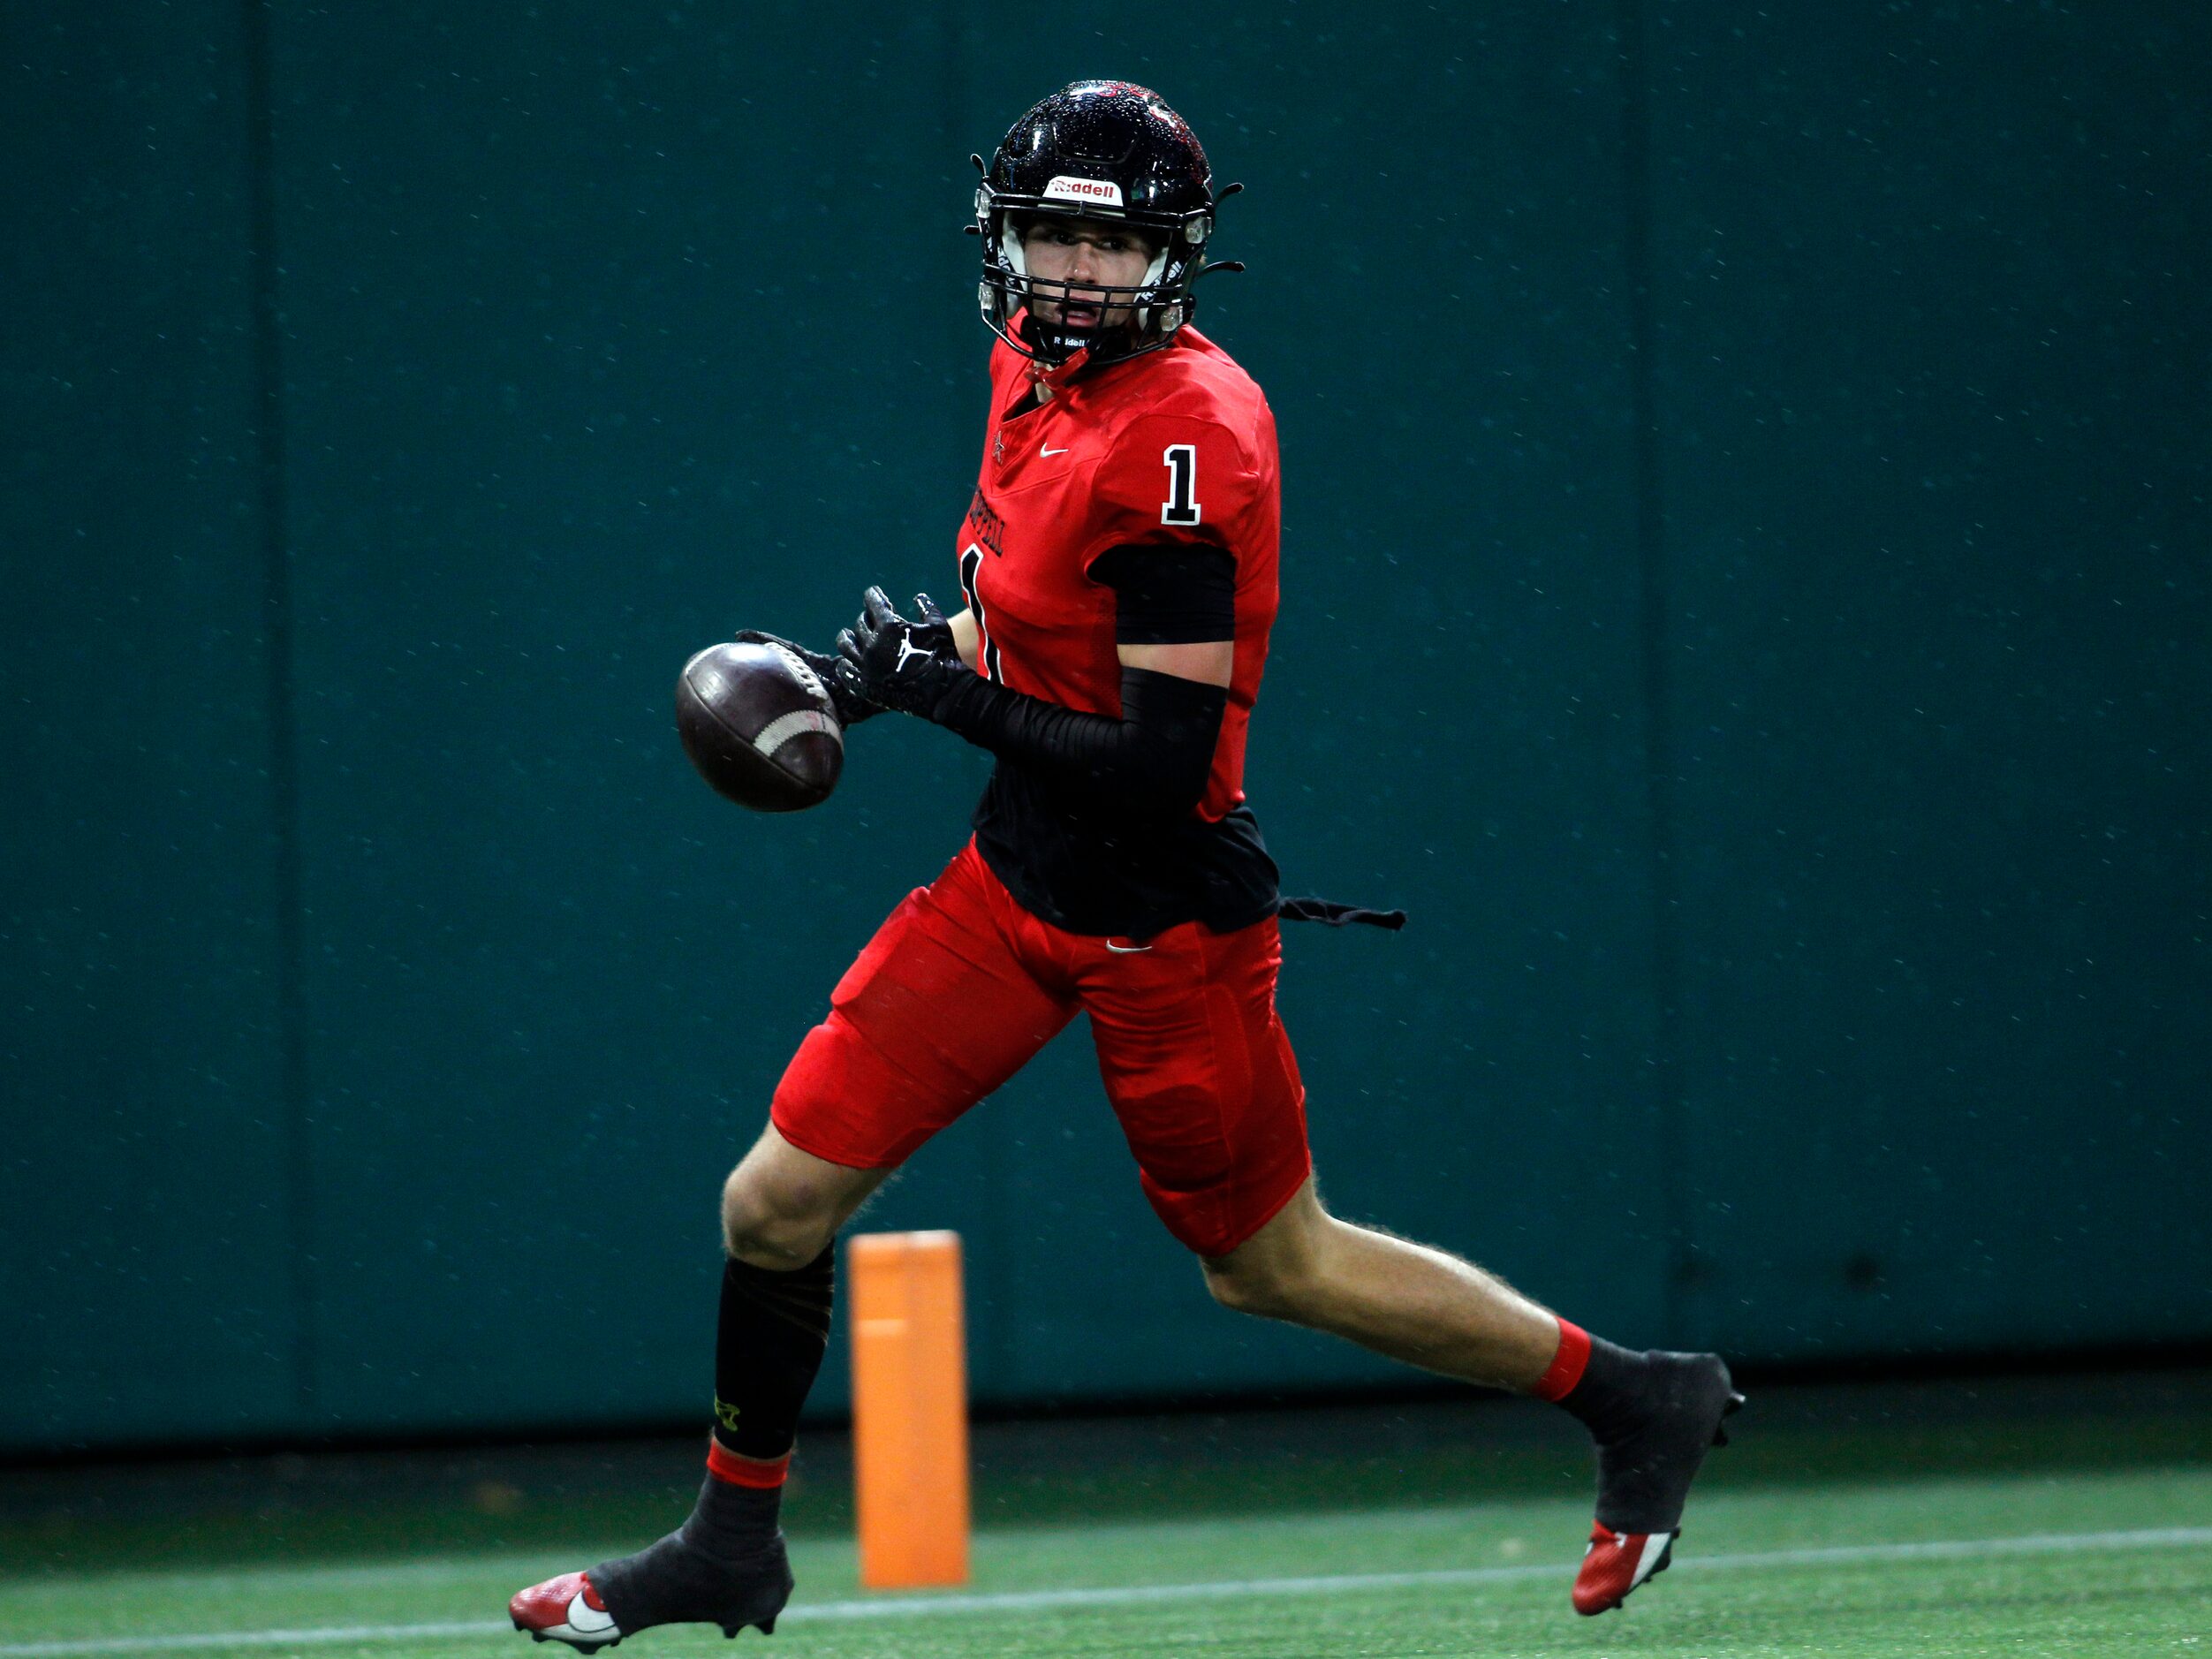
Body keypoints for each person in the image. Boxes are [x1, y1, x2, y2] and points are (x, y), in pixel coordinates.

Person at [510, 79, 1739, 1651]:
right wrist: (866, 673)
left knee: (1269, 1267)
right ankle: (729, 1543)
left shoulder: (1189, 440)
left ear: (1179, 256)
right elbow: (1024, 628)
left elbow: (1161, 766)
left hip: (1164, 923)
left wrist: (939, 692)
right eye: (1047, 241)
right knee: (773, 1201)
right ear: (1003, 239)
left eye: (1116, 250)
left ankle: (1637, 1394)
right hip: (1015, 883)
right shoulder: (1031, 360)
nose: (1075, 279)